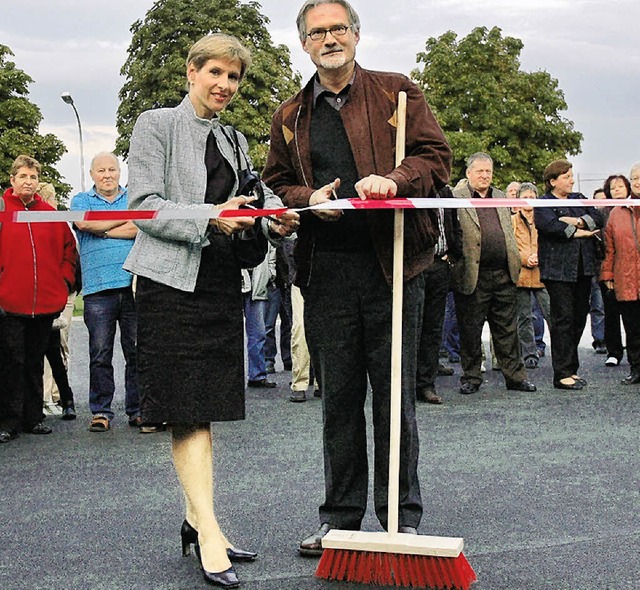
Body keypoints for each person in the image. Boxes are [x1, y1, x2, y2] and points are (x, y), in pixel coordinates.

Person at [263, 0, 452, 554]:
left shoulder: (398, 91)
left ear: (356, 34)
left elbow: (436, 156)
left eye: (338, 28)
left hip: (395, 265)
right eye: (317, 32)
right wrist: (307, 198)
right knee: (339, 399)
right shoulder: (290, 114)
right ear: (304, 43)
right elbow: (277, 182)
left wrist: (395, 179)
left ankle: (402, 516)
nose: (329, 38)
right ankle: (340, 515)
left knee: (396, 398)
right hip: (326, 272)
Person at [123, 33, 299, 587]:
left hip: (221, 282)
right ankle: (209, 533)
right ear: (192, 71)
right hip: (170, 285)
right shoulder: (155, 124)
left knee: (204, 407)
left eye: (234, 77)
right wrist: (210, 216)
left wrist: (280, 215)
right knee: (188, 410)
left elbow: (255, 196)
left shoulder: (234, 137)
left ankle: (195, 517)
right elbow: (144, 205)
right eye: (215, 73)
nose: (225, 85)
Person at [0, 155, 78, 443]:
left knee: (35, 362)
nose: (28, 182)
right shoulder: (2, 210)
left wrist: (63, 283)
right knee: (10, 363)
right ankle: (8, 421)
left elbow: (69, 251)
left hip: (44, 304)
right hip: (9, 304)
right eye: (23, 176)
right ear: (12, 179)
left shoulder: (49, 214)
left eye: (33, 177)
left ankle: (33, 417)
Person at [451, 153, 536, 395]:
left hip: (503, 273)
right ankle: (471, 377)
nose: (485, 175)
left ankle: (516, 377)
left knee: (508, 331)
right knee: (470, 330)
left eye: (488, 171)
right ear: (468, 173)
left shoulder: (500, 196)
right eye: (480, 171)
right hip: (472, 273)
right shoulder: (456, 197)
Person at [71, 153, 144, 433]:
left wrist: (103, 229)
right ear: (92, 175)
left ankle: (137, 410)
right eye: (101, 170)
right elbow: (84, 223)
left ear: (119, 172)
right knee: (99, 354)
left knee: (136, 352)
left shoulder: (133, 198)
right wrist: (119, 223)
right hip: (97, 290)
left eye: (111, 169)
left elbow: (139, 226)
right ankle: (101, 411)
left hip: (133, 287)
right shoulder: (81, 201)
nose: (107, 175)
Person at [534, 159, 604, 390]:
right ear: (552, 181)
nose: (571, 180)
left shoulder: (579, 198)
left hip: (583, 269)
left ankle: (571, 368)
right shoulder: (543, 202)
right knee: (562, 319)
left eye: (571, 175)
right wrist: (578, 233)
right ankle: (561, 373)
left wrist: (576, 221)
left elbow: (597, 218)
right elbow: (549, 226)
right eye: (566, 176)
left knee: (578, 318)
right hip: (558, 271)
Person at [415, 185, 462, 404]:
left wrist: (454, 252)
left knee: (434, 327)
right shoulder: (414, 189)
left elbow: (454, 223)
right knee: (412, 326)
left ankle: (426, 384)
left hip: (440, 265)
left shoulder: (445, 192)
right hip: (415, 267)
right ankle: (407, 384)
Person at [600, 168, 640, 385]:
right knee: (632, 329)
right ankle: (636, 369)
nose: (637, 182)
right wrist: (607, 274)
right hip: (626, 278)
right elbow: (610, 248)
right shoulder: (616, 213)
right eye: (634, 178)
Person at [511, 182, 551, 370]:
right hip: (521, 275)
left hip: (543, 276)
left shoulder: (544, 220)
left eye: (532, 196)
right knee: (524, 317)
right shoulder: (512, 221)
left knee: (552, 314)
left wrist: (540, 257)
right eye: (525, 196)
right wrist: (526, 258)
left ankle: (561, 352)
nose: (529, 200)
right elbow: (510, 247)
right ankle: (529, 353)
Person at [599, 174, 631, 367]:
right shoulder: (603, 213)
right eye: (613, 187)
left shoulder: (634, 208)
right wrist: (606, 273)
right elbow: (604, 247)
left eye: (620, 186)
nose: (617, 189)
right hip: (609, 270)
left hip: (631, 272)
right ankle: (614, 352)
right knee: (611, 314)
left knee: (632, 315)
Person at [242, 246, 277, 389]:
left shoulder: (260, 227)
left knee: (258, 333)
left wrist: (270, 273)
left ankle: (257, 375)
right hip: (237, 279)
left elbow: (271, 251)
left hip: (258, 283)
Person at [590, 188, 607, 354]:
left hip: (612, 266)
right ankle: (599, 339)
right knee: (598, 305)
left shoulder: (613, 216)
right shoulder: (593, 220)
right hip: (595, 268)